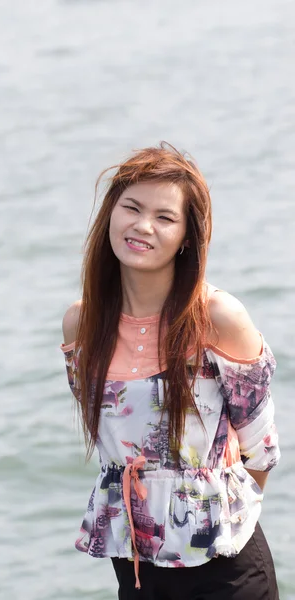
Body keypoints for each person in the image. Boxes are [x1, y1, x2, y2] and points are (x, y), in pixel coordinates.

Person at [60, 143, 280, 600]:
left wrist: (214, 508)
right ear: (110, 215)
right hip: (137, 567)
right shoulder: (83, 323)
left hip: (225, 566)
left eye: (164, 217)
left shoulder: (217, 316)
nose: (143, 226)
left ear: (185, 236)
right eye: (132, 208)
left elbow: (261, 450)